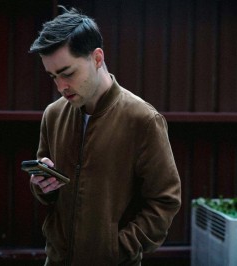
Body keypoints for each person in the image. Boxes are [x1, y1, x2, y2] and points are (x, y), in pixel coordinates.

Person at [28, 6, 181, 266]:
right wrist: (42, 186)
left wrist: (118, 248)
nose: (61, 86)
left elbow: (164, 201)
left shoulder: (143, 120)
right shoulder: (53, 115)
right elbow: (48, 191)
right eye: (53, 76)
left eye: (68, 73)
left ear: (97, 58)